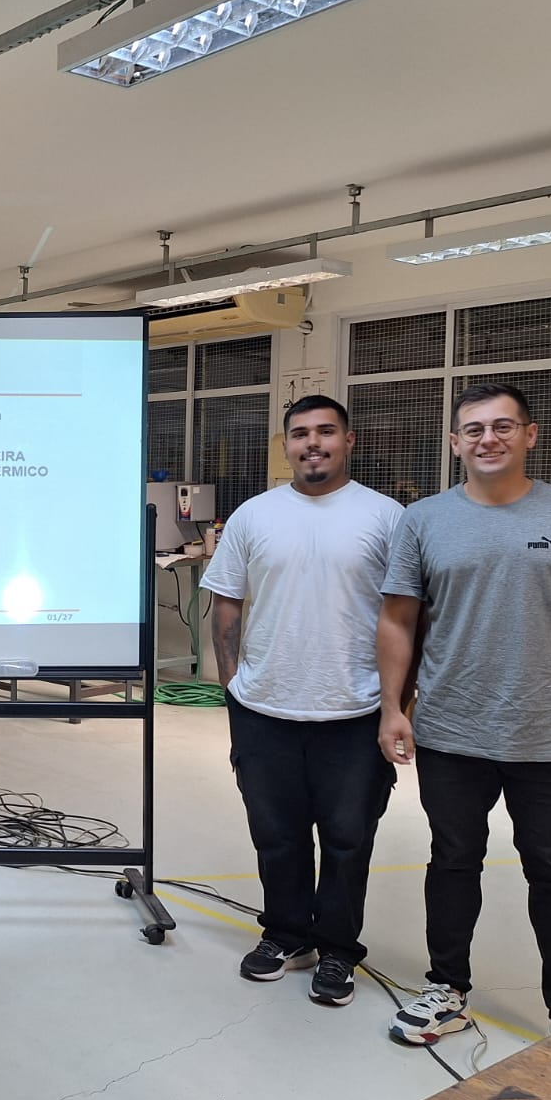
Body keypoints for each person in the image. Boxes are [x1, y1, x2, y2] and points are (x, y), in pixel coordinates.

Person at [378, 382, 551, 1043]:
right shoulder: (423, 520)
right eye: (473, 429)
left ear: (530, 435)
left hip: (550, 735)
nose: (487, 439)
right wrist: (392, 709)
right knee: (452, 859)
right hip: (451, 730)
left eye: (502, 426)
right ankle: (446, 989)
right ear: (454, 443)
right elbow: (399, 620)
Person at [204, 395, 403, 1005]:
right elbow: (226, 601)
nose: (312, 443)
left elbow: (406, 614)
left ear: (349, 440)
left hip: (355, 709)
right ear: (286, 445)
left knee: (348, 837)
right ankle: (287, 935)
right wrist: (233, 685)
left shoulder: (387, 517)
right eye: (299, 434)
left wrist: (398, 702)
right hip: (264, 708)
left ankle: (338, 948)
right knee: (276, 834)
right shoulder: (254, 515)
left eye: (325, 431)